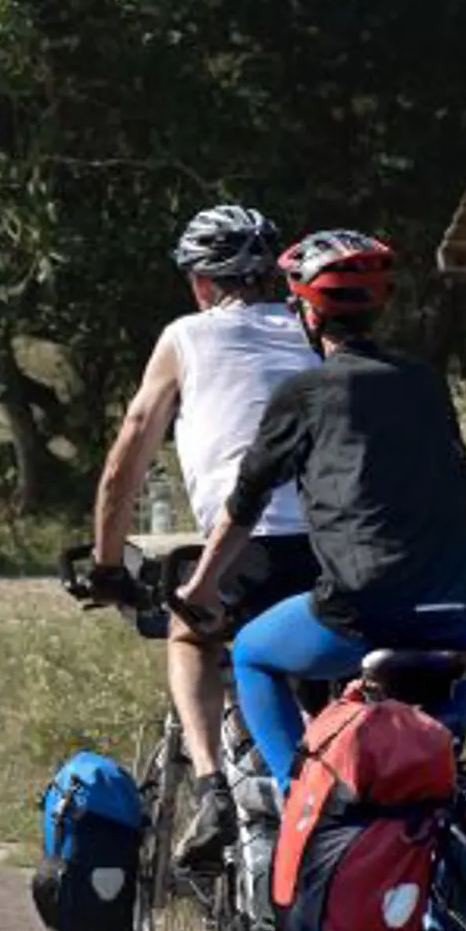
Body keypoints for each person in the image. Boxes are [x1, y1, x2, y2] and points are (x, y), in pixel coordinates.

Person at [174, 229, 466, 861]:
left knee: (252, 656)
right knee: (429, 790)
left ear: (304, 310)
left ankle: (303, 807)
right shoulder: (423, 381)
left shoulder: (305, 393)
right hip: (465, 613)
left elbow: (246, 503)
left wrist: (201, 585)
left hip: (365, 612)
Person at [89, 205, 321, 858]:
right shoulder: (314, 331)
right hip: (335, 549)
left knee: (190, 632)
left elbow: (128, 453)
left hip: (246, 547)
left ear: (200, 282)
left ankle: (213, 784)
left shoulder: (186, 336)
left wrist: (108, 565)